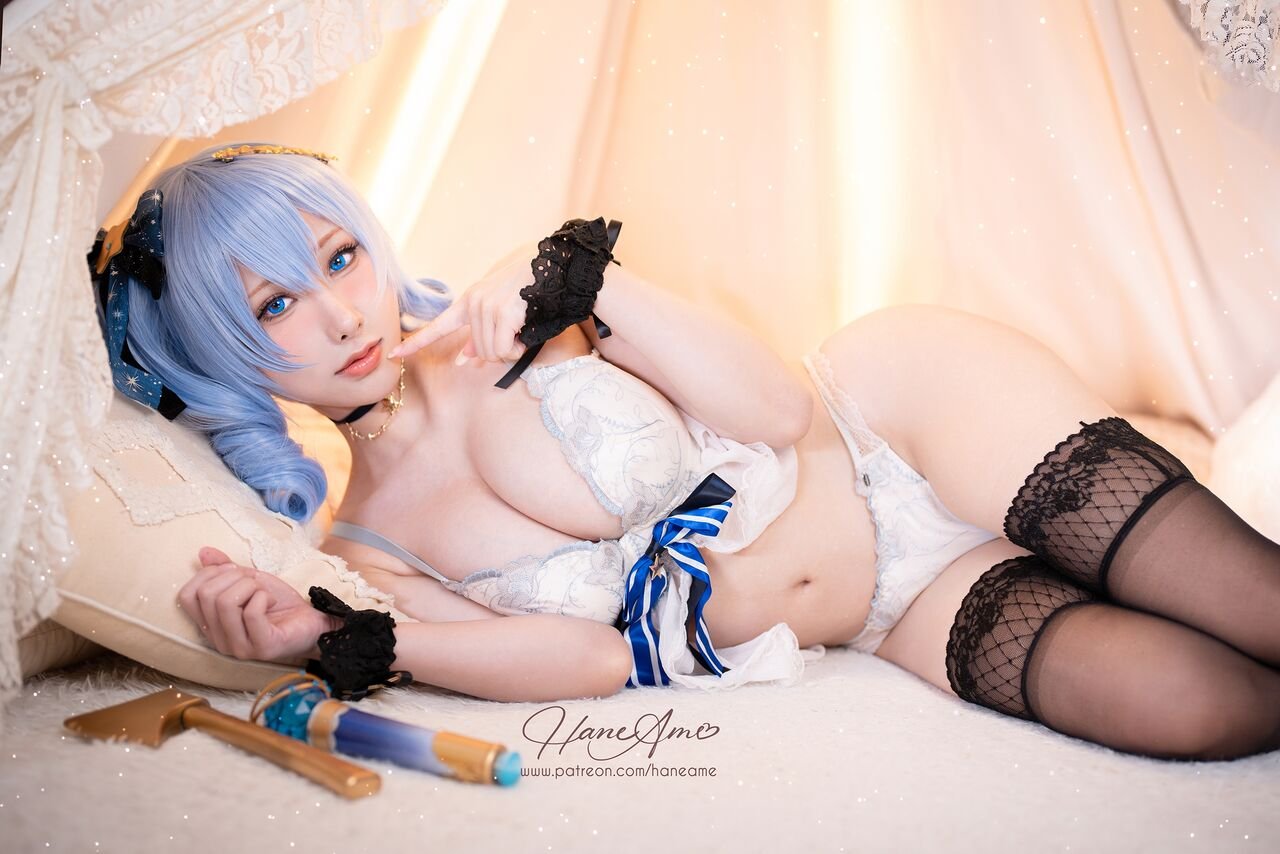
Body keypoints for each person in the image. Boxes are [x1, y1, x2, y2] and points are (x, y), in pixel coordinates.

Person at [94, 143, 1280, 761]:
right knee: (1207, 707)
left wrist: (583, 282)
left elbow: (773, 408)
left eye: (339, 257)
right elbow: (593, 658)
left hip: (896, 420)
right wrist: (328, 638)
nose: (339, 314)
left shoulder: (526, 302)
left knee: (1258, 604)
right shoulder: (368, 549)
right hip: (893, 609)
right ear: (219, 353)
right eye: (273, 305)